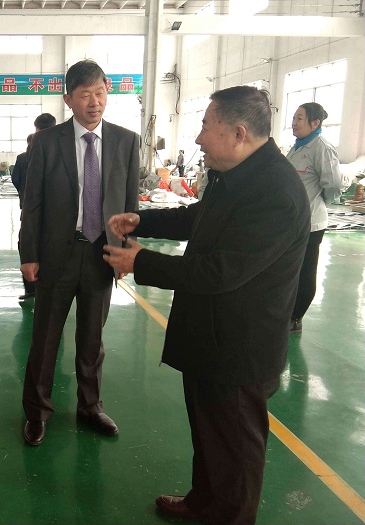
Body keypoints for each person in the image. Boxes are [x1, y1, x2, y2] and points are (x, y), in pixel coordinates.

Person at [104, 86, 310, 525]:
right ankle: (203, 503)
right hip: (211, 337)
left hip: (240, 347)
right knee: (211, 435)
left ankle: (231, 517)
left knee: (236, 446)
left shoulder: (276, 192)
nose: (198, 138)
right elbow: (200, 218)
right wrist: (144, 219)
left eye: (205, 126)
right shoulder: (238, 173)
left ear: (238, 133)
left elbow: (222, 271)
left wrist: (141, 262)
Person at [19, 60, 140, 446]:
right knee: (45, 339)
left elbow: (131, 205)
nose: (94, 102)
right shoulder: (47, 142)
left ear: (108, 92)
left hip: (102, 254)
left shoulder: (126, 141)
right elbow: (32, 203)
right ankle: (37, 412)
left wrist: (126, 251)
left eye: (100, 93)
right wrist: (28, 254)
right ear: (68, 99)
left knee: (92, 339)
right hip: (58, 253)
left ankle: (90, 406)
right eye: (85, 95)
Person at [286, 102, 342, 334]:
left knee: (305, 271)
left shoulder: (322, 148)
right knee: (289, 269)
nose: (294, 123)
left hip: (311, 223)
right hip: (292, 222)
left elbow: (334, 184)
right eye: (294, 118)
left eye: (300, 118)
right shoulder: (297, 147)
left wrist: (319, 201)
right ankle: (286, 311)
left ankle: (296, 317)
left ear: (315, 123)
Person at [12, 113, 57, 302]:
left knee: (27, 244)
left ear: (36, 128)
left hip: (31, 209)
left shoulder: (25, 155)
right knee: (54, 248)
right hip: (58, 212)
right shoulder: (65, 150)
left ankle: (31, 288)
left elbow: (16, 179)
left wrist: (24, 197)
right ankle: (51, 288)